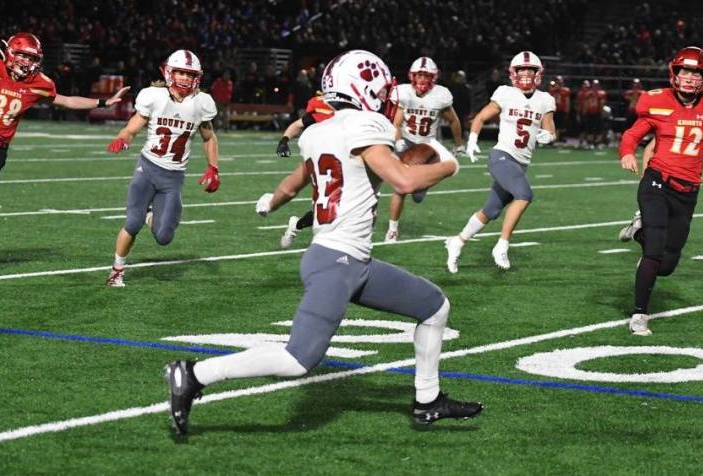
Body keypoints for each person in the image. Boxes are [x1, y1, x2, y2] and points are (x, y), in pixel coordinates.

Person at [164, 50, 479, 435]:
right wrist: (449, 161)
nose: (383, 99)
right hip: (336, 261)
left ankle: (428, 401)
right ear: (364, 87)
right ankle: (194, 373)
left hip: (351, 261)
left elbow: (296, 180)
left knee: (434, 307)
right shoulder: (362, 125)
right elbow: (405, 182)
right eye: (378, 90)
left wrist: (273, 201)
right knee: (298, 359)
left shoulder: (318, 132)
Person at [0, 32, 129, 290]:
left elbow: (65, 100)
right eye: (23, 56)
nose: (27, 63)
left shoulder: (39, 83)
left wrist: (103, 102)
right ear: (10, 53)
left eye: (32, 58)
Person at [618, 46, 703, 336]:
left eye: (696, 73)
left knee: (668, 262)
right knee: (656, 250)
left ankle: (638, 232)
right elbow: (632, 133)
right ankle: (640, 314)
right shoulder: (656, 101)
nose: (689, 78)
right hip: (657, 181)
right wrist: (627, 152)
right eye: (684, 71)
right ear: (674, 73)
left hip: (688, 189)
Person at [104, 50, 220, 287]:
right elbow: (134, 125)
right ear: (169, 72)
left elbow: (209, 137)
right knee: (132, 223)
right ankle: (116, 271)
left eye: (190, 74)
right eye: (180, 72)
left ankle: (151, 216)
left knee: (164, 237)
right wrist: (124, 137)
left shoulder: (202, 103)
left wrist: (213, 167)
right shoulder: (154, 96)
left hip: (173, 177)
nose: (185, 78)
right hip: (147, 168)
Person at [444, 51, 556, 273]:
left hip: (521, 163)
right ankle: (502, 244)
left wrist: (550, 136)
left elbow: (550, 128)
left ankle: (458, 240)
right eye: (521, 70)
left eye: (530, 70)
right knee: (524, 195)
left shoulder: (545, 99)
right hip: (502, 156)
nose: (525, 75)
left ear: (538, 73)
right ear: (514, 74)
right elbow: (481, 117)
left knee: (492, 210)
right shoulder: (505, 93)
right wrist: (473, 139)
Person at [385, 57, 464, 242]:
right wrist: (398, 142)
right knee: (400, 188)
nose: (422, 80)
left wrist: (459, 144)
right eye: (419, 75)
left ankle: (423, 183)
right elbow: (396, 123)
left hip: (428, 144)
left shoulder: (440, 95)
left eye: (426, 76)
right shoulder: (404, 93)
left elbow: (453, 120)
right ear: (412, 76)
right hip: (406, 141)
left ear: (433, 78)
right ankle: (392, 229)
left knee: (451, 167)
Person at [274, 93, 335, 249]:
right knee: (325, 209)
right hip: (325, 162)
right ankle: (299, 226)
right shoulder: (324, 108)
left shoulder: (353, 112)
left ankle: (296, 225)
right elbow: (299, 124)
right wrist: (284, 140)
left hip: (344, 161)